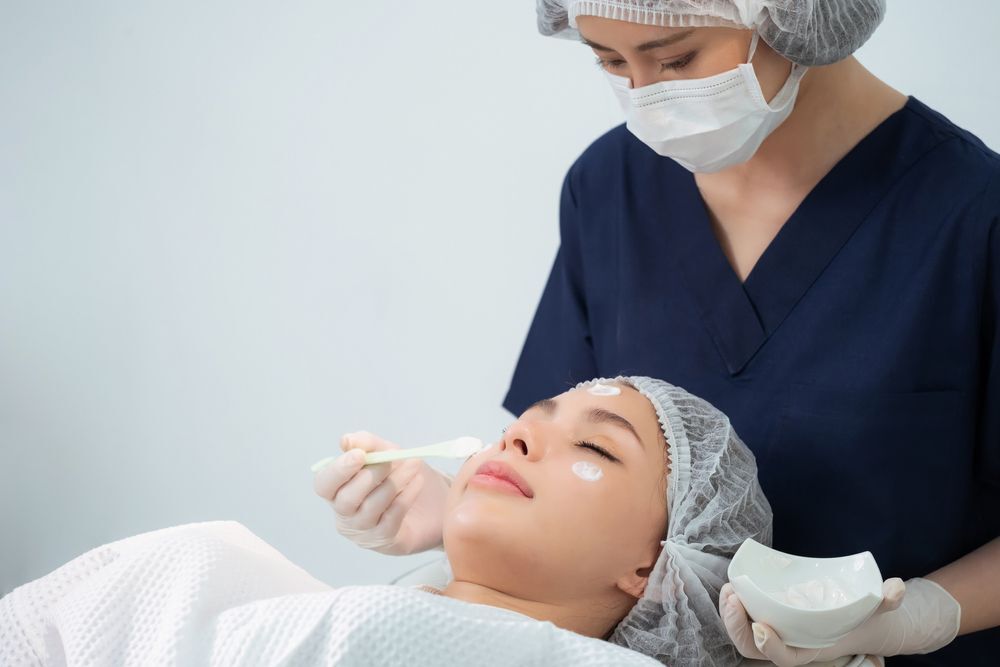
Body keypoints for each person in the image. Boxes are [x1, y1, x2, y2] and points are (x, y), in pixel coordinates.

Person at [328, 2, 1000, 665]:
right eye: (611, 61)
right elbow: (561, 445)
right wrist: (445, 511)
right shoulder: (611, 187)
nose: (648, 97)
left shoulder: (975, 219)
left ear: (790, 14)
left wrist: (925, 613)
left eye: (676, 58)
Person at [1, 377, 771, 666]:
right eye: (529, 418)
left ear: (656, 566)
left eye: (596, 445)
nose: (519, 434)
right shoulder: (261, 583)